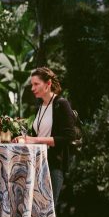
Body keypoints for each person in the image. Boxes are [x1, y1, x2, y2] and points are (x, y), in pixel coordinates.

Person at [24, 67, 76, 209]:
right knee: (39, 211)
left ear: (47, 84)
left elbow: (69, 136)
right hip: (37, 162)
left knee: (49, 210)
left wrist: (35, 140)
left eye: (36, 84)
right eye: (32, 84)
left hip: (54, 165)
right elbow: (37, 133)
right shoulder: (39, 105)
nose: (32, 88)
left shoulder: (61, 104)